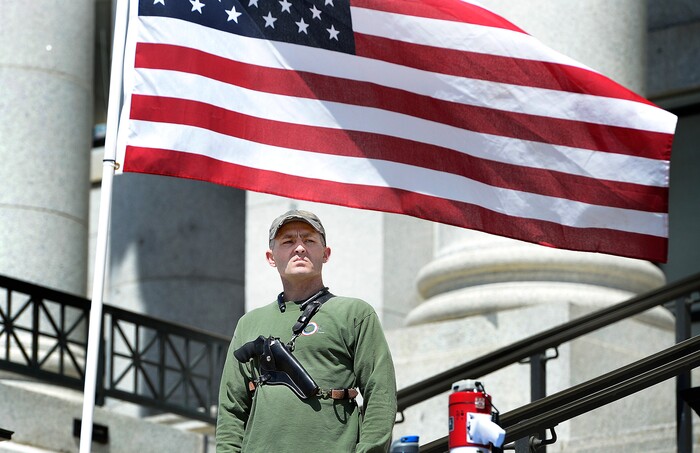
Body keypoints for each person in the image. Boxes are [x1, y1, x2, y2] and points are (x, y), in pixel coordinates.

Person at [216, 209, 397, 452]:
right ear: (271, 257)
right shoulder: (249, 323)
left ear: (326, 254)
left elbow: (380, 394)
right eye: (288, 241)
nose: (299, 248)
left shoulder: (354, 313)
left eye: (309, 240)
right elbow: (231, 407)